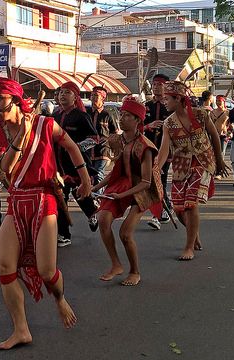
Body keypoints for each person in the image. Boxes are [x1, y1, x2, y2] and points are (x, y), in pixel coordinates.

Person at [0, 77, 88, 350]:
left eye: (0, 99)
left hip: (44, 199)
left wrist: (85, 178)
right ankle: (21, 330)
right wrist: (20, 137)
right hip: (17, 201)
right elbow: (6, 169)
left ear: (16, 100)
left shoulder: (45, 124)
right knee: (5, 267)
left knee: (46, 270)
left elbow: (71, 146)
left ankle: (59, 298)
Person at [92, 97, 162, 286]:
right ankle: (116, 264)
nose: (122, 119)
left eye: (127, 116)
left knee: (125, 233)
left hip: (141, 190)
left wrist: (121, 196)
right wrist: (93, 188)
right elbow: (116, 172)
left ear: (138, 121)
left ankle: (135, 271)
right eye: (121, 114)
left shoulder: (145, 146)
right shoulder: (117, 140)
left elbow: (146, 183)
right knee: (103, 220)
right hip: (122, 184)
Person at [155, 81, 228, 261]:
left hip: (203, 163)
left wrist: (219, 160)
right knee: (179, 209)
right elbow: (164, 150)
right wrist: (155, 168)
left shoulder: (201, 114)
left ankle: (188, 247)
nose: (164, 102)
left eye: (167, 99)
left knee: (191, 203)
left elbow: (214, 136)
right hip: (180, 166)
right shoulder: (168, 123)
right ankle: (193, 234)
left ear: (178, 98)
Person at [54, 81, 100, 246]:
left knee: (80, 194)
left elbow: (94, 139)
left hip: (77, 166)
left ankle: (92, 212)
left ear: (75, 97)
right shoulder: (55, 116)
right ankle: (64, 234)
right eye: (61, 92)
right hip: (58, 167)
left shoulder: (81, 116)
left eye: (67, 92)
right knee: (60, 199)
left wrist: (76, 147)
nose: (63, 95)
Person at [144, 74, 173, 230]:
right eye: (154, 84)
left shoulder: (171, 106)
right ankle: (166, 207)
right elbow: (137, 128)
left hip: (165, 151)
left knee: (159, 181)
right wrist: (149, 126)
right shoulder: (146, 106)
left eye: (159, 84)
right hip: (148, 150)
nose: (156, 87)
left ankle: (158, 214)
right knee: (151, 181)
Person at [86, 86, 119, 191]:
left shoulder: (107, 114)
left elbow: (115, 133)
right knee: (88, 176)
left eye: (96, 95)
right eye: (92, 95)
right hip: (87, 150)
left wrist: (115, 152)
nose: (93, 98)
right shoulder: (85, 113)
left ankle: (99, 198)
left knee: (98, 174)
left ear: (103, 98)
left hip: (103, 150)